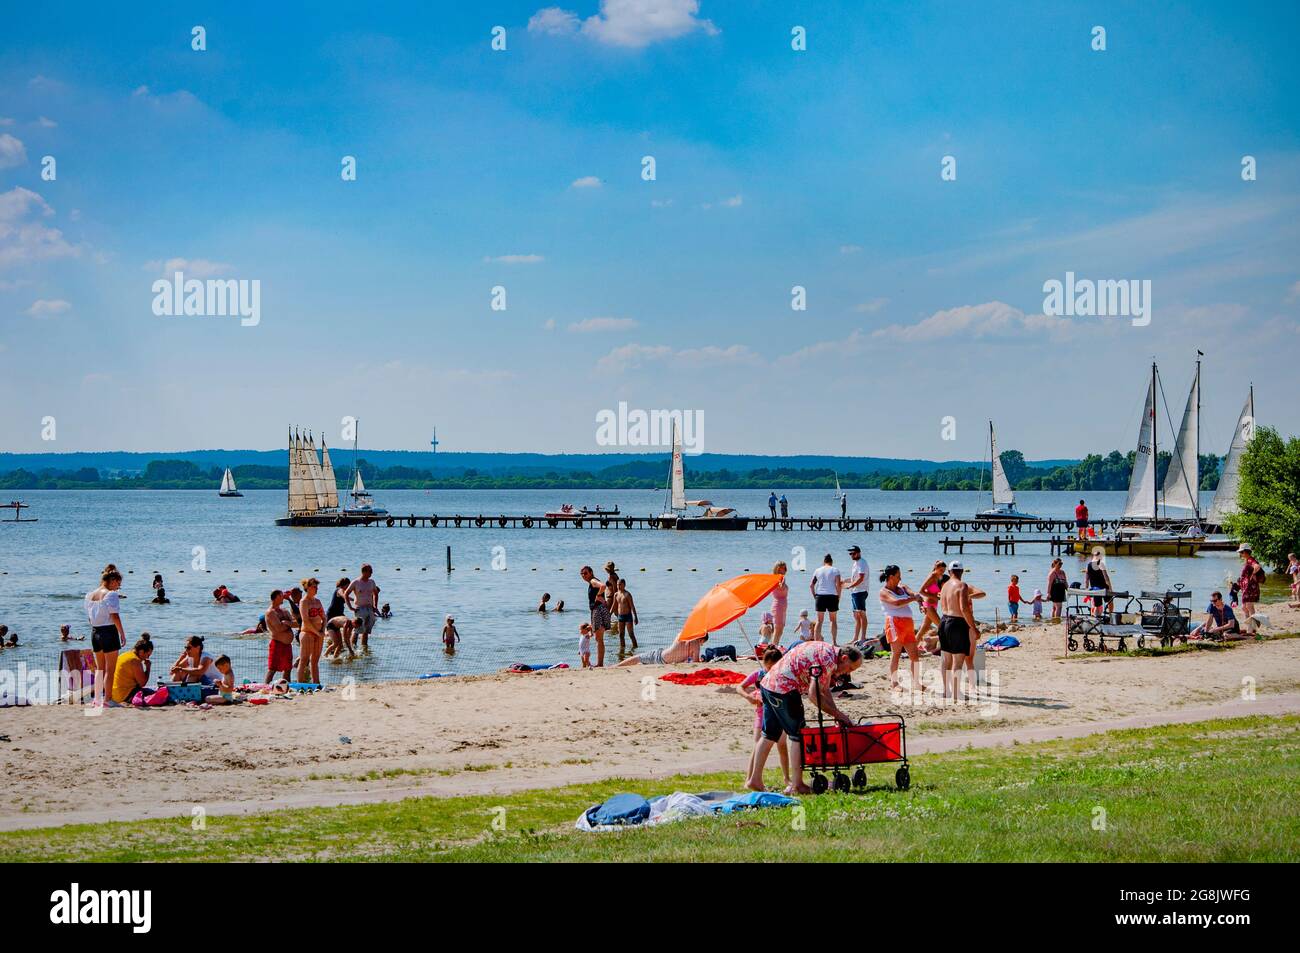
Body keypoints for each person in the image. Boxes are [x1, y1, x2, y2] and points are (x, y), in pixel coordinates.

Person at [744, 642, 864, 794]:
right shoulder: (827, 661)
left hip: (768, 685)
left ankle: (754, 780)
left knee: (769, 734)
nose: (847, 673)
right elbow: (813, 695)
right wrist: (839, 715)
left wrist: (836, 713)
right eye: (850, 668)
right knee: (798, 735)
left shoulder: (827, 651)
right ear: (845, 658)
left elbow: (825, 690)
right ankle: (797, 785)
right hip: (785, 688)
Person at [740, 647, 790, 788]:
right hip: (761, 714)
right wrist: (749, 697)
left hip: (779, 715)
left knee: (782, 745)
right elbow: (740, 687)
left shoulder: (782, 676)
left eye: (774, 667)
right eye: (769, 667)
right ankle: (750, 779)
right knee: (757, 746)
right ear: (764, 664)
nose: (771, 670)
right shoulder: (759, 674)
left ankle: (787, 778)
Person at [938, 561, 980, 703]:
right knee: (958, 661)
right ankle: (956, 693)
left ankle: (946, 691)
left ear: (949, 572)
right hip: (957, 623)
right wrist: (973, 627)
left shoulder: (944, 587)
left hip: (943, 621)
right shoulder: (962, 586)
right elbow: (964, 608)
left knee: (946, 659)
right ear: (962, 572)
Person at [878, 565, 924, 694]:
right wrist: (914, 599)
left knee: (914, 655)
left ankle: (916, 683)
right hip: (894, 622)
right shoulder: (884, 592)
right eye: (898, 576)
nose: (900, 578)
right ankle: (894, 683)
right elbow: (896, 603)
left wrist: (920, 603)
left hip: (908, 623)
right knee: (896, 654)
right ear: (891, 577)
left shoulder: (903, 587)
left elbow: (915, 594)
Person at [85, 567, 126, 708]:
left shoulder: (90, 595)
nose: (118, 587)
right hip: (108, 631)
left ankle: (97, 699)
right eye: (118, 584)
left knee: (99, 669)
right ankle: (108, 699)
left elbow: (90, 619)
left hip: (95, 632)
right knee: (110, 669)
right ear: (112, 580)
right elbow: (114, 615)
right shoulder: (111, 595)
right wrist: (122, 633)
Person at [263, 589, 296, 684]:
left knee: (288, 669)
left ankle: (286, 687)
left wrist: (287, 622)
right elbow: (279, 628)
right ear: (277, 597)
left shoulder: (284, 611)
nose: (284, 598)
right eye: (282, 596)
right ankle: (265, 686)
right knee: (272, 669)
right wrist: (289, 624)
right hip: (277, 644)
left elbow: (297, 623)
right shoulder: (270, 612)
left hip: (287, 645)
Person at [809, 553, 843, 644]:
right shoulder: (835, 570)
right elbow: (838, 585)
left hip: (820, 596)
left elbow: (811, 585)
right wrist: (839, 596)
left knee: (819, 621)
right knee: (833, 620)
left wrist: (815, 596)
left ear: (824, 562)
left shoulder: (817, 570)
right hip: (832, 596)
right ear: (831, 562)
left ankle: (816, 642)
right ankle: (834, 642)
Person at [345, 564, 380, 650]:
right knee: (357, 629)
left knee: (366, 631)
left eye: (371, 571)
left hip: (370, 608)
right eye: (370, 571)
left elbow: (376, 593)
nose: (371, 573)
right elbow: (346, 594)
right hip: (360, 608)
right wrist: (350, 607)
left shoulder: (372, 582)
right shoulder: (356, 582)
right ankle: (352, 647)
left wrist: (375, 606)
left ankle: (364, 648)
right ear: (364, 572)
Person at [297, 578, 325, 684]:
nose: (316, 589)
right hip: (307, 633)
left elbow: (324, 617)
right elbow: (306, 620)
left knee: (315, 661)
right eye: (314, 587)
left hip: (319, 632)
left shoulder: (317, 601)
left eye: (317, 587)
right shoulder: (304, 601)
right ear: (307, 588)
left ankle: (316, 683)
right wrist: (317, 633)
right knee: (304, 660)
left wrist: (322, 630)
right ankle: (300, 683)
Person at [111, 636, 154, 705]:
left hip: (115, 695)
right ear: (141, 651)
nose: (148, 657)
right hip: (125, 695)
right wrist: (148, 668)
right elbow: (142, 683)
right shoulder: (135, 661)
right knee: (155, 694)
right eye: (148, 655)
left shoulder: (124, 655)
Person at [580, 566, 608, 666]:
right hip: (600, 609)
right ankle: (600, 663)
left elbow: (603, 586)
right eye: (582, 574)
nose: (584, 575)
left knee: (599, 639)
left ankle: (600, 664)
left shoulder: (593, 581)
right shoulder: (592, 581)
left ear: (591, 572)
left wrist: (598, 596)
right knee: (599, 639)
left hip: (598, 610)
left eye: (585, 573)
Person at [915, 560, 946, 651]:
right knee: (942, 627)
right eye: (940, 570)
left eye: (943, 570)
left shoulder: (939, 577)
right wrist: (935, 597)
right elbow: (921, 591)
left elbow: (934, 591)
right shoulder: (932, 576)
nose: (942, 572)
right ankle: (941, 646)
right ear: (935, 568)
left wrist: (939, 595)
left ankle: (912, 648)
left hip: (933, 606)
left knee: (922, 630)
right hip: (928, 605)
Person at [843, 545, 870, 644]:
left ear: (858, 553)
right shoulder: (855, 563)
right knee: (856, 615)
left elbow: (861, 578)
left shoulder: (862, 563)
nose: (851, 555)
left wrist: (850, 586)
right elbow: (854, 578)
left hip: (860, 591)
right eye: (850, 554)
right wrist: (844, 581)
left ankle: (863, 637)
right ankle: (855, 637)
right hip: (855, 592)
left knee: (861, 613)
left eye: (853, 553)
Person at [327, 577, 357, 658]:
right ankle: (330, 651)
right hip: (332, 614)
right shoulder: (339, 590)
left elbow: (348, 597)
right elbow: (344, 596)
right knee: (334, 635)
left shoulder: (343, 591)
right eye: (348, 585)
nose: (349, 587)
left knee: (339, 635)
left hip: (339, 614)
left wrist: (355, 600)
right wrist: (352, 606)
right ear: (344, 585)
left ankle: (337, 653)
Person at [1237, 544, 1264, 623]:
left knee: (1249, 606)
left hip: (1250, 587)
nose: (1240, 554)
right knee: (1244, 607)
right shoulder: (1247, 560)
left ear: (1245, 552)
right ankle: (1250, 624)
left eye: (1241, 552)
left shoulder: (1251, 560)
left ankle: (1253, 626)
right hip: (1247, 587)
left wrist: (1253, 575)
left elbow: (1257, 566)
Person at [611, 579, 639, 653]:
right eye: (617, 584)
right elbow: (614, 606)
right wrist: (608, 615)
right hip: (620, 616)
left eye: (620, 584)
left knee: (631, 634)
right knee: (621, 635)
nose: (618, 586)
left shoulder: (627, 594)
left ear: (624, 585)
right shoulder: (616, 594)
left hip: (628, 616)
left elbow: (632, 606)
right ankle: (622, 650)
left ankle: (635, 649)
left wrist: (635, 617)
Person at [1085, 550, 1113, 617]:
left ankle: (1096, 618)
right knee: (1110, 602)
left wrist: (1086, 589)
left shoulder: (1088, 565)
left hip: (1094, 588)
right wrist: (1110, 588)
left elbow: (1086, 579)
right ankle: (1111, 616)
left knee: (1097, 605)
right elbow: (1106, 577)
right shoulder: (1101, 564)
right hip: (1103, 587)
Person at [770, 561, 789, 641]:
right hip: (778, 606)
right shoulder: (778, 579)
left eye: (785, 568)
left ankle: (774, 646)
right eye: (782, 568)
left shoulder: (778, 578)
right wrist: (782, 582)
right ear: (778, 569)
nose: (784, 570)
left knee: (780, 630)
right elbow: (781, 587)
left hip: (782, 606)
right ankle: (773, 648)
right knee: (778, 629)